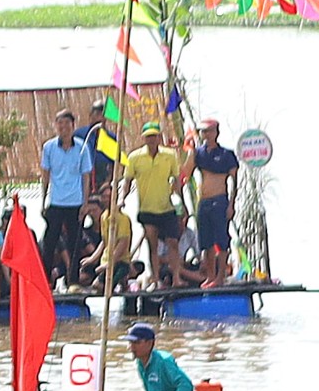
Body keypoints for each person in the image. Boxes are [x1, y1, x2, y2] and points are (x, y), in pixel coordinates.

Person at [120, 121, 184, 289]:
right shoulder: (135, 157)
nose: (152, 140)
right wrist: (121, 199)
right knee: (152, 244)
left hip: (166, 207)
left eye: (154, 136)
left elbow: (176, 180)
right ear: (144, 138)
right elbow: (127, 181)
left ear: (159, 137)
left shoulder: (169, 155)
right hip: (147, 208)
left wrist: (181, 202)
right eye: (148, 137)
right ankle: (155, 278)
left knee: (173, 243)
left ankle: (176, 277)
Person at [39, 108, 96, 286]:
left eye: (67, 124)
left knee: (75, 243)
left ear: (73, 126)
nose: (63, 128)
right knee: (50, 241)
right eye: (60, 124)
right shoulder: (49, 147)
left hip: (75, 202)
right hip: (56, 201)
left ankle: (74, 282)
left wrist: (85, 203)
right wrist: (43, 201)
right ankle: (46, 280)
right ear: (56, 126)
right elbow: (46, 175)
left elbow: (86, 176)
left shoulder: (82, 147)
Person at [185, 119, 240, 287]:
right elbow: (186, 174)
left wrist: (231, 204)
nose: (206, 135)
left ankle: (220, 277)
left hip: (220, 199)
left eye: (209, 131)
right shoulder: (199, 153)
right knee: (205, 242)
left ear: (216, 132)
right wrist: (190, 152)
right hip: (204, 201)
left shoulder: (226, 155)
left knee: (221, 241)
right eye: (203, 132)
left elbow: (233, 182)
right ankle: (210, 276)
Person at [91, 185, 141, 294]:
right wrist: (92, 258)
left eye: (109, 196)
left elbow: (123, 244)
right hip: (107, 260)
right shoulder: (104, 217)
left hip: (120, 261)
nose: (106, 199)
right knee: (96, 285)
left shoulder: (122, 218)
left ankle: (123, 284)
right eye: (104, 197)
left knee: (107, 288)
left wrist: (109, 264)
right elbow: (104, 241)